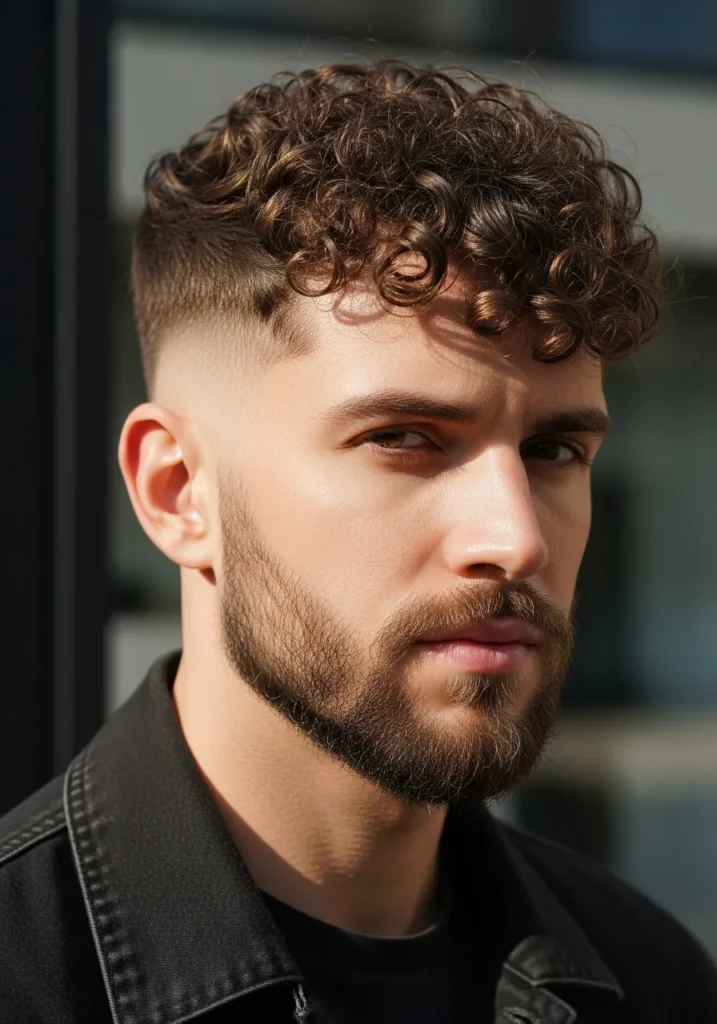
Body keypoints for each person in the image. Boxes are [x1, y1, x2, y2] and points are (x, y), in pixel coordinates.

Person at [1, 61, 715, 1024]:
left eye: (553, 449)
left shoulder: (649, 978)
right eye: (403, 439)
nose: (512, 539)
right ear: (177, 492)